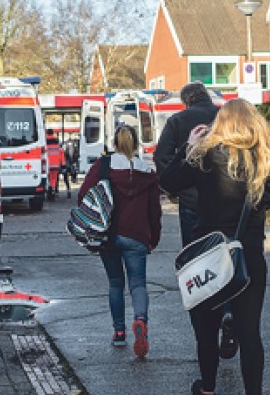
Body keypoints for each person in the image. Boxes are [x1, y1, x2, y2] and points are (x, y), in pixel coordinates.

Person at [160, 98, 270, 395]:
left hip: (210, 256)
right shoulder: (263, 158)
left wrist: (188, 147)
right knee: (250, 332)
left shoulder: (204, 155)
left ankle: (208, 388)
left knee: (206, 326)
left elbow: (169, 181)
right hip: (249, 257)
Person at [154, 83, 238, 359]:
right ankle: (228, 311)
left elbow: (161, 158)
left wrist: (177, 187)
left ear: (185, 100)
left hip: (193, 205)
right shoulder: (226, 116)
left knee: (197, 265)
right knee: (229, 259)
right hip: (228, 202)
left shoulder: (178, 121)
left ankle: (206, 337)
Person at [79, 125, 162, 358]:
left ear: (114, 143)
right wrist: (153, 238)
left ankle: (118, 333)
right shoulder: (147, 171)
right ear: (136, 144)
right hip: (137, 236)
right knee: (138, 284)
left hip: (109, 235)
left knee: (116, 283)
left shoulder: (103, 166)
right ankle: (140, 320)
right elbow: (154, 211)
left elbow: (83, 194)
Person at [45, 129, 65, 201]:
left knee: (48, 178)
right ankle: (53, 191)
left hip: (47, 165)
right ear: (53, 133)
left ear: (47, 133)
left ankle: (48, 191)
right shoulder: (57, 141)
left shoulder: (44, 141)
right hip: (56, 164)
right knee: (54, 179)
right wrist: (63, 163)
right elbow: (61, 152)